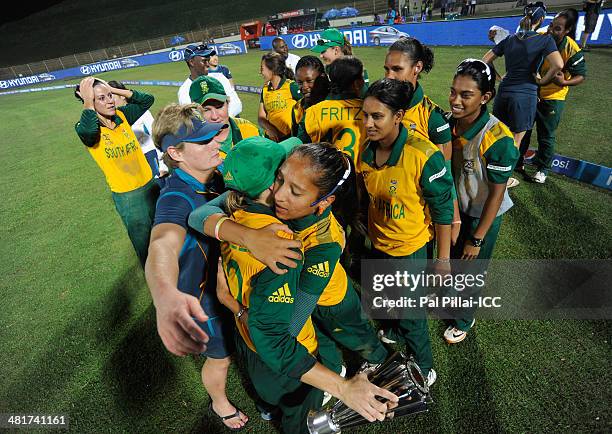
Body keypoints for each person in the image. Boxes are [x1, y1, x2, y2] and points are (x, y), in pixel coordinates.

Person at [195, 137, 400, 433]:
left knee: (356, 334)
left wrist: (235, 307)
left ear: (324, 201)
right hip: (288, 308)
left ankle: (378, 361)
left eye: (295, 190)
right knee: (315, 354)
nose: (280, 194)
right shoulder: (277, 218)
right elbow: (197, 215)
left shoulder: (317, 244)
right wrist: (247, 237)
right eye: (279, 180)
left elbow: (292, 321)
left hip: (329, 298)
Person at [144, 104, 249, 430]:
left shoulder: (215, 176)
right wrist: (164, 297)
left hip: (232, 289)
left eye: (214, 136)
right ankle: (220, 404)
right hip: (206, 305)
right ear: (176, 152)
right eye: (204, 142)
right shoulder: (176, 198)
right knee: (221, 359)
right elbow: (162, 244)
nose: (216, 143)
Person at [359, 78, 455, 384]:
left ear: (398, 116)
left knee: (413, 317)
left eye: (377, 116)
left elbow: (443, 212)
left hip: (410, 250)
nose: (369, 123)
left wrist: (442, 260)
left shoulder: (423, 155)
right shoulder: (365, 151)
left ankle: (424, 368)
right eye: (365, 115)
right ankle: (394, 329)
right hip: (379, 244)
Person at [445, 59, 519, 342]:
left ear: (485, 97)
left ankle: (464, 320)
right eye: (453, 92)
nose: (455, 100)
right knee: (452, 263)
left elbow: (496, 194)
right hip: (458, 210)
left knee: (470, 268)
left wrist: (477, 238)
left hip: (481, 215)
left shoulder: (497, 137)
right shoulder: (449, 125)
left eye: (466, 95)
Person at [74, 77, 159, 268]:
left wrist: (114, 89)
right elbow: (88, 132)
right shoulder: (86, 128)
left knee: (167, 234)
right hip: (129, 198)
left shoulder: (122, 116)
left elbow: (147, 100)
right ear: (90, 103)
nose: (110, 101)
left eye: (110, 96)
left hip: (151, 186)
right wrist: (88, 101)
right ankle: (159, 290)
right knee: (146, 248)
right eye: (102, 98)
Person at [384, 37, 460, 243]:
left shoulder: (432, 118)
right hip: (382, 214)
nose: (389, 76)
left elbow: (445, 176)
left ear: (417, 67)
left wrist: (455, 219)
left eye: (397, 69)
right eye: (387, 69)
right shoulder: (380, 105)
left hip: (417, 220)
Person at [483, 2, 563, 187]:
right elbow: (558, 65)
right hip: (525, 94)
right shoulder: (545, 40)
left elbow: (485, 60)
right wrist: (542, 81)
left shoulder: (509, 39)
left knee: (496, 135)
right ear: (541, 19)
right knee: (515, 141)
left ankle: (486, 172)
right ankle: (502, 180)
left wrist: (499, 78)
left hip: (504, 93)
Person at [521, 9, 587, 183]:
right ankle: (519, 161)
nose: (551, 30)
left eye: (557, 28)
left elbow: (581, 76)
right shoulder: (541, 35)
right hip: (531, 92)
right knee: (524, 129)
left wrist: (564, 83)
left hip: (553, 97)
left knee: (546, 135)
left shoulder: (571, 48)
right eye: (551, 25)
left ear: (567, 30)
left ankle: (543, 169)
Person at [297, 56, 365, 167]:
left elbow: (300, 151)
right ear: (357, 83)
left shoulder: (312, 112)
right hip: (362, 179)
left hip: (326, 179)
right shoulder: (370, 111)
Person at [189, 75, 262, 161]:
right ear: (195, 112)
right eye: (206, 110)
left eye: (219, 107)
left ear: (228, 103)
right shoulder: (191, 146)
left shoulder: (249, 129)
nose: (215, 116)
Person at [108, 80, 167, 180]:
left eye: (111, 95)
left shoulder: (141, 111)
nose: (109, 100)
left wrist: (162, 165)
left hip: (150, 157)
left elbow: (156, 135)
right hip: (132, 162)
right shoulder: (113, 118)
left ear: (122, 95)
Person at [177, 44, 242, 118]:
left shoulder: (220, 78)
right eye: (204, 61)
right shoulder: (184, 90)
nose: (208, 64)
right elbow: (193, 117)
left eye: (208, 60)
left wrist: (222, 120)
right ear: (191, 62)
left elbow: (236, 104)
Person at [310, 28, 370, 94]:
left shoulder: (357, 71)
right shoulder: (323, 71)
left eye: (323, 51)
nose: (321, 56)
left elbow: (364, 98)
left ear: (336, 50)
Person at [258, 52, 301, 142]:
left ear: (272, 70)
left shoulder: (291, 86)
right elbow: (261, 117)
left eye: (262, 69)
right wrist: (270, 128)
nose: (260, 72)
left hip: (290, 139)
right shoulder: (265, 89)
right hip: (271, 141)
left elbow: (308, 107)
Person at [291, 55, 330, 136]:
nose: (304, 87)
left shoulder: (335, 104)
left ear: (322, 77)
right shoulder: (297, 108)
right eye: (300, 82)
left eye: (309, 81)